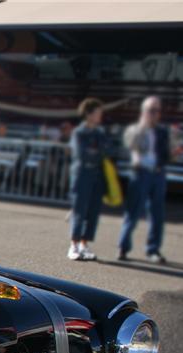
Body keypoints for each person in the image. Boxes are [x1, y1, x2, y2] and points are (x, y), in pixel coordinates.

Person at [118, 96, 173, 263]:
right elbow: (129, 144)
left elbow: (166, 154)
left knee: (157, 214)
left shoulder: (162, 131)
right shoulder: (135, 130)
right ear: (143, 112)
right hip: (140, 173)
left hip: (157, 174)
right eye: (151, 110)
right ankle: (123, 247)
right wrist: (142, 127)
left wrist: (171, 154)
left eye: (157, 111)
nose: (155, 114)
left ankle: (153, 250)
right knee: (133, 212)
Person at [67, 98, 107, 261]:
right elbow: (80, 154)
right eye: (97, 113)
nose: (100, 116)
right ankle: (74, 245)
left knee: (93, 212)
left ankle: (85, 244)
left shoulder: (99, 133)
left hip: (97, 176)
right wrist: (95, 152)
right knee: (79, 211)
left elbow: (106, 150)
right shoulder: (79, 132)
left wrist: (94, 152)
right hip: (82, 175)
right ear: (89, 114)